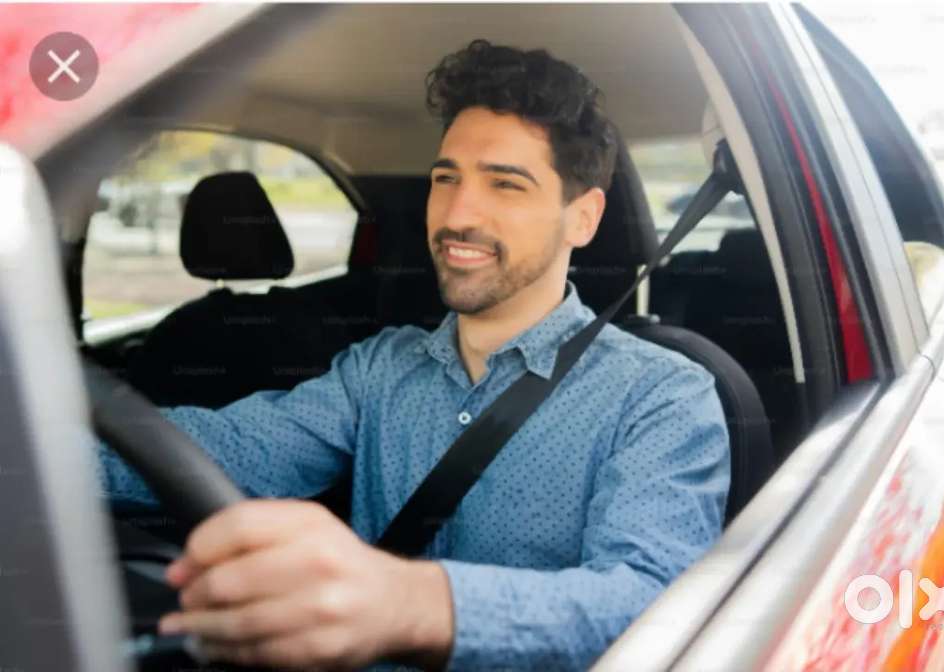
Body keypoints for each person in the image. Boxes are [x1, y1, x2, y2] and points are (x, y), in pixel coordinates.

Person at [98, 39, 730, 671]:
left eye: (505, 184)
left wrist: (412, 603)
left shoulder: (661, 395)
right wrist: (53, 455)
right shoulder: (380, 367)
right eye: (445, 179)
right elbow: (232, 447)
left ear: (583, 218)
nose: (458, 213)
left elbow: (653, 602)